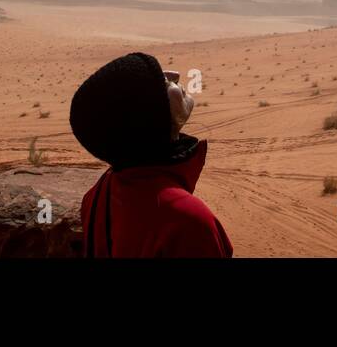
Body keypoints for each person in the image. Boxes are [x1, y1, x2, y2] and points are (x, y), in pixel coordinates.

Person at [69, 51, 233, 257]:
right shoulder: (187, 221)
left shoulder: (99, 194)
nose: (174, 76)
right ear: (147, 117)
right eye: (163, 82)